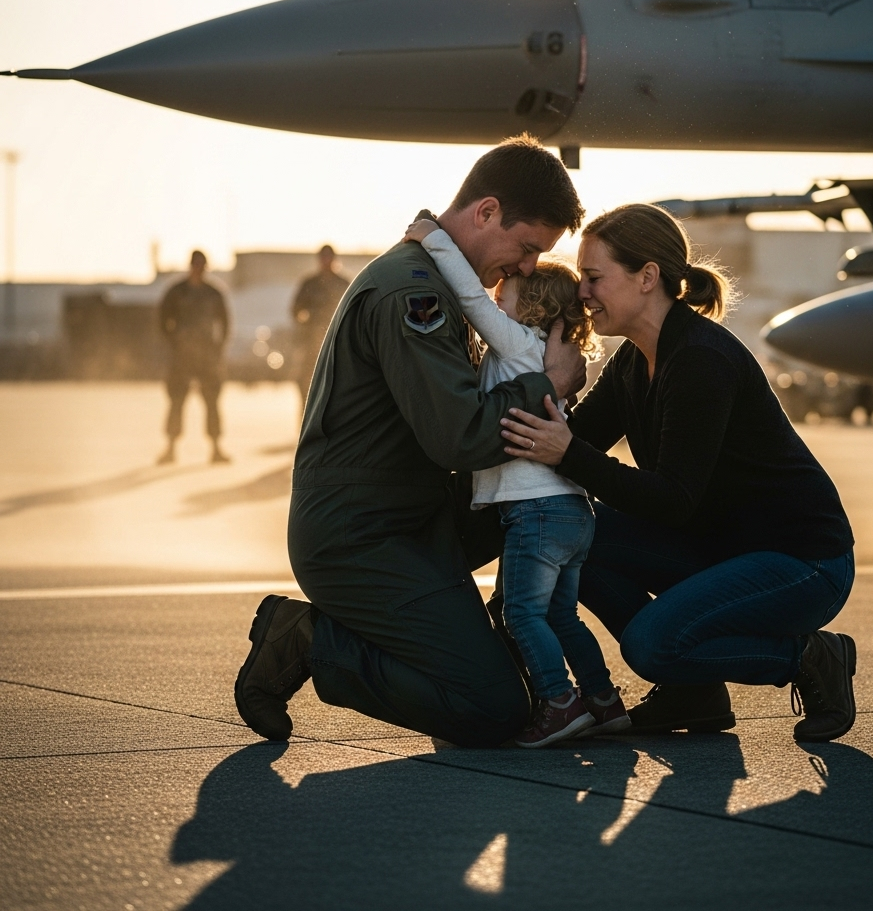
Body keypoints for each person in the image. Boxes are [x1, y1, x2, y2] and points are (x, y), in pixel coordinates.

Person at [233, 135, 587, 747]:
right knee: (492, 708)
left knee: (572, 517)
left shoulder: (442, 280)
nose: (529, 267)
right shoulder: (413, 293)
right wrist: (546, 384)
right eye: (527, 248)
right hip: (361, 536)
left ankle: (514, 641)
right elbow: (461, 435)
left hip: (415, 515)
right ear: (486, 213)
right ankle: (308, 640)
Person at [500, 203, 858, 744]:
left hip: (801, 562)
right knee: (577, 535)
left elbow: (670, 498)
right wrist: (550, 381)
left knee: (651, 646)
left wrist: (568, 450)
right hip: (719, 548)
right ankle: (695, 690)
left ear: (647, 278)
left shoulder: (699, 361)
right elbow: (577, 443)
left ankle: (811, 656)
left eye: (594, 278)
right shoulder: (632, 360)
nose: (582, 294)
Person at [403, 218, 630, 748]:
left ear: (528, 307)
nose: (494, 293)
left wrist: (434, 240)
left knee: (520, 613)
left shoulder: (517, 345)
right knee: (561, 616)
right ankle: (602, 700)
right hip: (573, 510)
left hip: (535, 510)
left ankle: (559, 702)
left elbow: (470, 300)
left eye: (504, 291)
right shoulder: (542, 354)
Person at [157, 250, 230, 465]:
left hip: (207, 356)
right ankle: (170, 448)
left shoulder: (213, 293)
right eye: (195, 265)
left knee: (212, 401)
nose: (198, 269)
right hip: (182, 356)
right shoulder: (176, 292)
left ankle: (216, 448)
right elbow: (162, 320)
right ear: (190, 266)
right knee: (176, 400)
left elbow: (225, 323)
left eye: (202, 265)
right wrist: (173, 344)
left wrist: (218, 349)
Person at [292, 245, 349, 402]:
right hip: (311, 344)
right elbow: (295, 310)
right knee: (307, 390)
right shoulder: (309, 284)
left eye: (329, 257)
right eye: (323, 257)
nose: (326, 261)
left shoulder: (343, 284)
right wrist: (309, 322)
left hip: (336, 344)